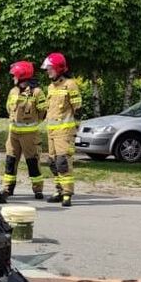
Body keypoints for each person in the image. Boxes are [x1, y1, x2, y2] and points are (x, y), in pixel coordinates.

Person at [2, 61, 46, 199]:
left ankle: (38, 189)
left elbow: (43, 112)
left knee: (32, 162)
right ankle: (8, 188)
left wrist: (31, 123)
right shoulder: (13, 91)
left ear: (22, 76)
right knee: (10, 160)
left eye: (14, 75)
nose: (12, 77)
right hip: (13, 134)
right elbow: (9, 109)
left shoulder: (37, 92)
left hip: (30, 135)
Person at [42, 52, 81, 206]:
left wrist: (75, 129)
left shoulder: (70, 84)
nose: (47, 71)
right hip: (51, 131)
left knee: (63, 162)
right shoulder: (51, 86)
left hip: (64, 132)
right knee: (53, 163)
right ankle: (59, 190)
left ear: (59, 68)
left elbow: (78, 109)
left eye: (50, 68)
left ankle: (67, 193)